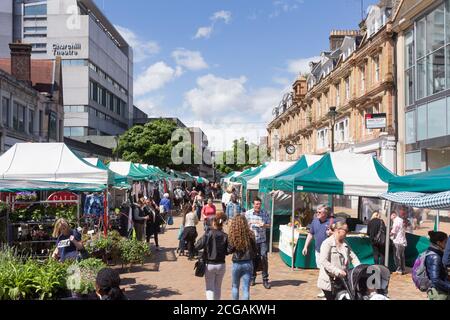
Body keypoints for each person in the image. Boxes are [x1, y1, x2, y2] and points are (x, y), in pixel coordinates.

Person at [318, 221, 361, 300]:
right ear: (338, 230)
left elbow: (353, 257)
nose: (347, 233)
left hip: (343, 280)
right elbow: (324, 261)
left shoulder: (345, 243)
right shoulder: (327, 243)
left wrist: (359, 268)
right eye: (346, 230)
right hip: (330, 282)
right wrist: (337, 271)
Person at [195, 213, 228, 300]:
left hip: (209, 264)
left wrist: (205, 235)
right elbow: (229, 249)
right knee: (218, 287)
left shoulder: (208, 234)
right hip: (221, 264)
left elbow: (197, 245)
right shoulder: (225, 235)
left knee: (209, 287)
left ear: (213, 223)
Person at [302, 205, 333, 298]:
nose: (317, 214)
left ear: (325, 213)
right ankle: (325, 290)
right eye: (317, 212)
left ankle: (327, 291)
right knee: (321, 270)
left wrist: (331, 233)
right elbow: (310, 234)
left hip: (329, 252)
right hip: (318, 251)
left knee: (326, 271)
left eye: (319, 212)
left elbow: (341, 232)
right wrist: (305, 246)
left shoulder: (332, 222)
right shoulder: (314, 221)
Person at [228, 215, 257, 300]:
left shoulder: (233, 235)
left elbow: (229, 250)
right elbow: (255, 249)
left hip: (236, 262)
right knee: (245, 289)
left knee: (235, 286)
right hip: (248, 262)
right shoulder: (250, 234)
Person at [245, 198, 271, 289]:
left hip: (262, 240)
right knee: (252, 259)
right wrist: (249, 225)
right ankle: (252, 277)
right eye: (256, 204)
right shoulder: (248, 213)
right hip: (252, 240)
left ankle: (265, 279)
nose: (258, 206)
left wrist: (264, 225)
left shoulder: (264, 213)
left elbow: (269, 224)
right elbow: (243, 225)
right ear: (253, 204)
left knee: (263, 257)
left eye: (259, 204)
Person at [424, 231, 450, 300]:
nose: (447, 244)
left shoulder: (434, 252)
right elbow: (435, 279)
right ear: (438, 243)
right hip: (439, 293)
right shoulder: (435, 257)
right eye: (445, 242)